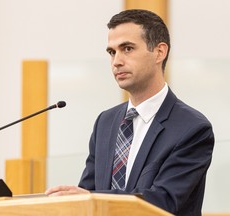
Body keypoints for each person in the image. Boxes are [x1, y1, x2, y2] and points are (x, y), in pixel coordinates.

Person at [45, 9, 214, 216]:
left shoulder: (192, 128)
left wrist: (91, 197)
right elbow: (88, 194)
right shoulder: (105, 122)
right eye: (111, 52)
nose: (116, 61)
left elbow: (163, 201)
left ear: (160, 52)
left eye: (127, 49)